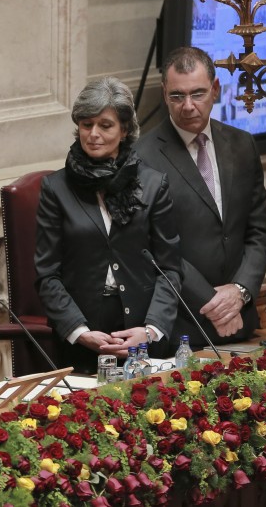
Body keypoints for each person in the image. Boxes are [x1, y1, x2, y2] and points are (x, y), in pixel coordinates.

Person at [35, 77, 181, 373]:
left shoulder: (153, 185)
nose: (94, 134)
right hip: (83, 335)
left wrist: (150, 330)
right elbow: (47, 274)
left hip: (142, 331)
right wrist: (79, 331)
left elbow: (170, 269)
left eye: (105, 125)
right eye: (86, 124)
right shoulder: (56, 189)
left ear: (124, 129)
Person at [135, 46, 266, 344]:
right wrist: (213, 303)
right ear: (164, 95)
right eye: (177, 96)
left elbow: (260, 231)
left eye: (197, 94)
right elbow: (154, 248)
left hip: (241, 319)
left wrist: (239, 291)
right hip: (180, 326)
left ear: (215, 90)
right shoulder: (141, 158)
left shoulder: (242, 144)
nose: (188, 106)